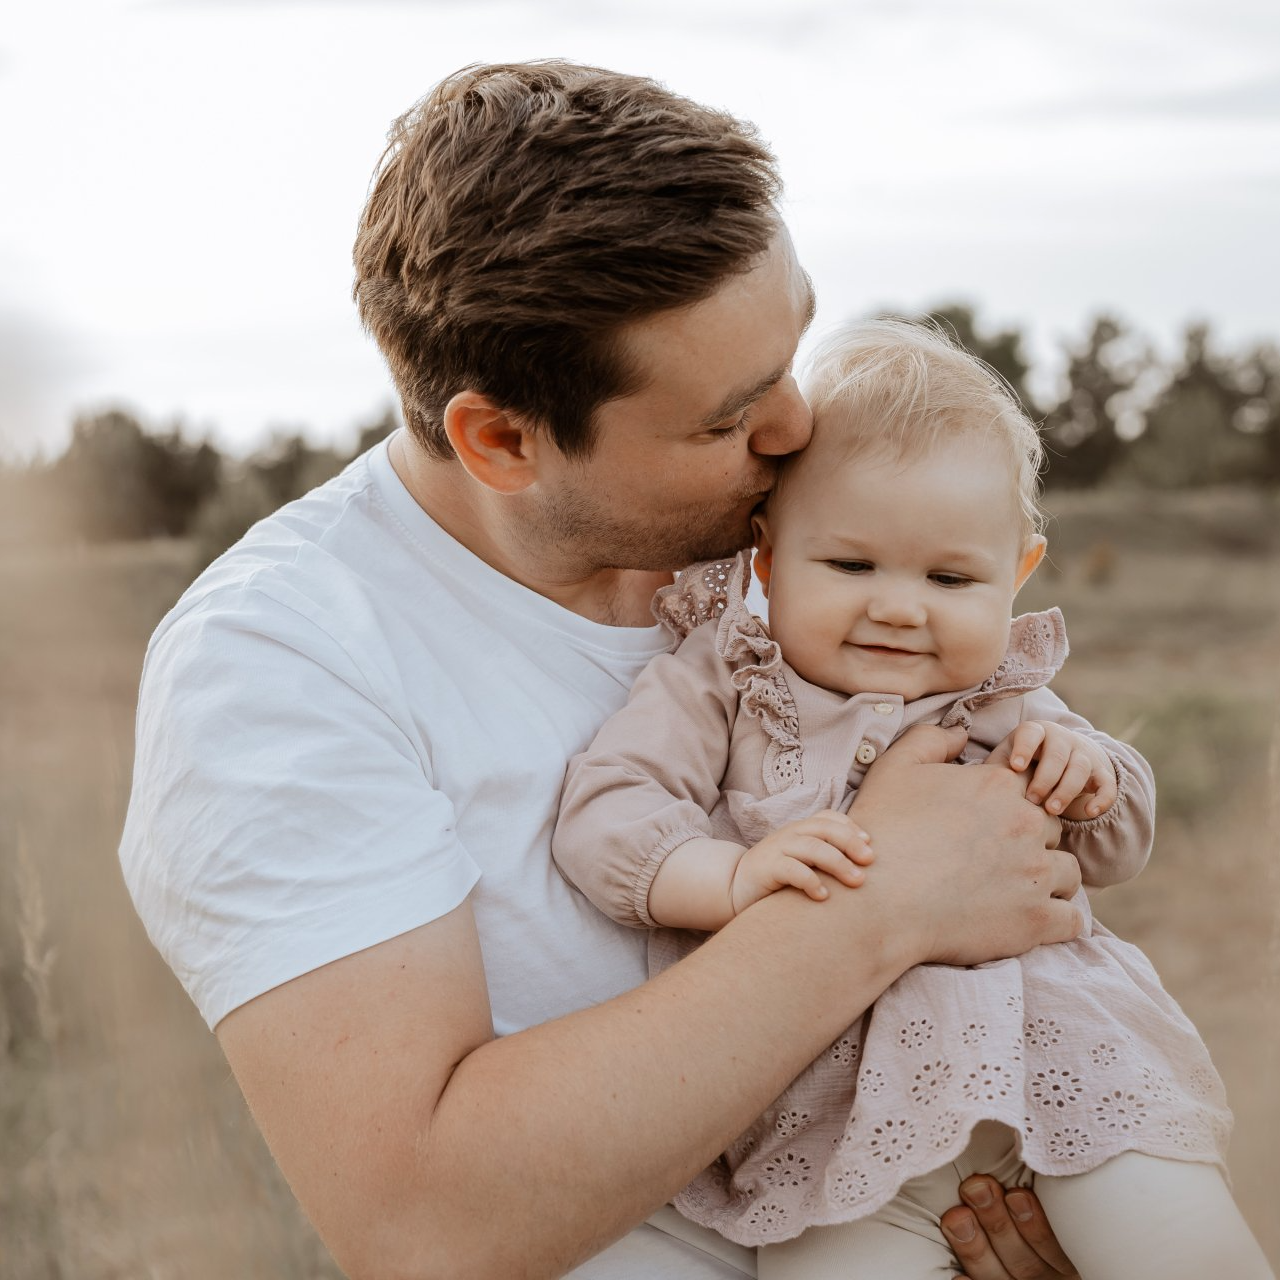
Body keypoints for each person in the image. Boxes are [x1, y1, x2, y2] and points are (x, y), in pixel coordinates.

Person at [120, 61, 1095, 1279]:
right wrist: (880, 903)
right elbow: (425, 1219)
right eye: (726, 417)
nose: (796, 427)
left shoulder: (789, 546)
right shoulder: (281, 665)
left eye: (791, 353)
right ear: (501, 439)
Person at [552, 319, 1274, 1277]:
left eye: (950, 577)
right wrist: (727, 879)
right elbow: (608, 810)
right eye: (850, 565)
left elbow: (1115, 846)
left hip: (1065, 1073)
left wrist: (1089, 774)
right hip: (831, 1134)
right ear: (767, 556)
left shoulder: (1004, 695)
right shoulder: (727, 680)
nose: (899, 607)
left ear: (1017, 574)